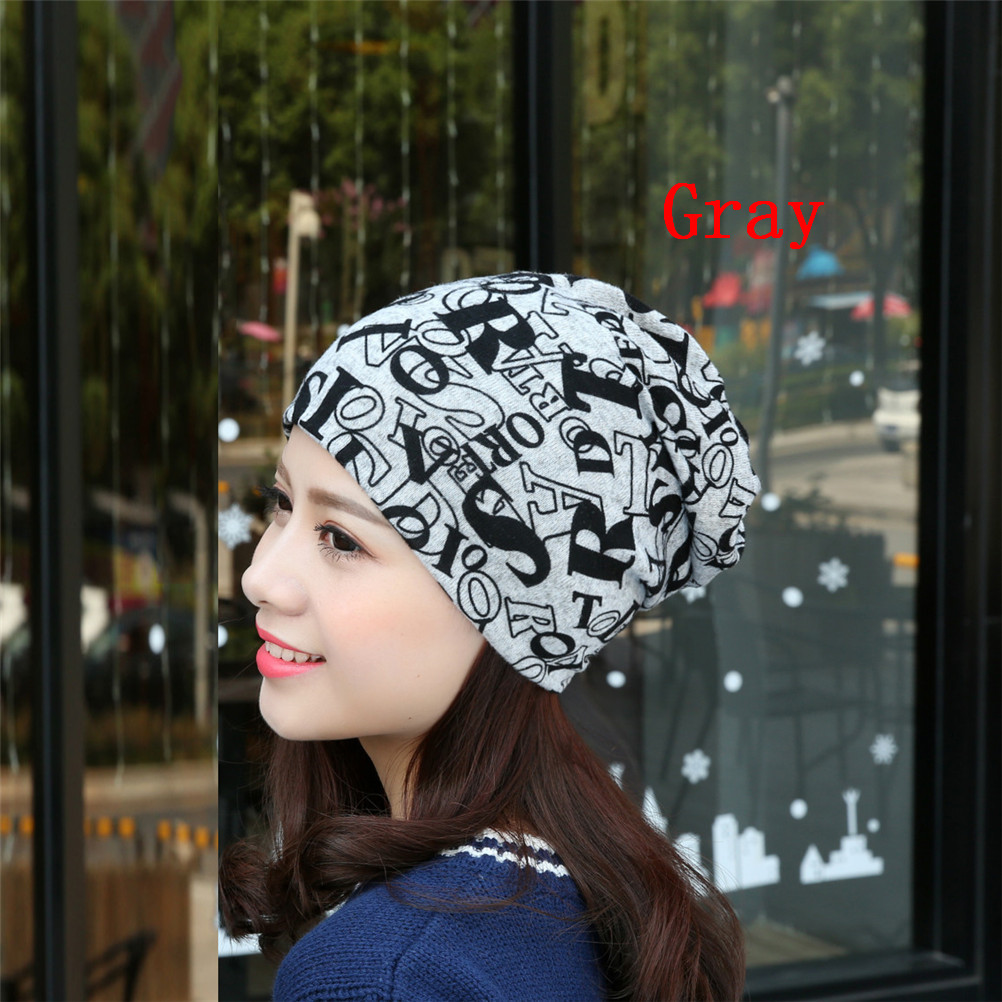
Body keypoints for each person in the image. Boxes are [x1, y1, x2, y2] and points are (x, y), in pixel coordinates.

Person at [219, 272, 761, 1001]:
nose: (260, 576)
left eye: (341, 539)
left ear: (515, 615)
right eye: (281, 502)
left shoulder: (384, 978)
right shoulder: (583, 891)